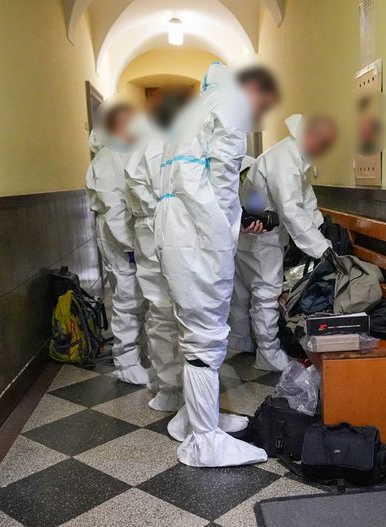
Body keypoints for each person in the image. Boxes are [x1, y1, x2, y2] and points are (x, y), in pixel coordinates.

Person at [155, 63, 280, 467]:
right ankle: (206, 440)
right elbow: (224, 177)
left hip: (175, 229)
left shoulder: (194, 109)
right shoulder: (230, 102)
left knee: (192, 329)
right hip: (198, 236)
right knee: (206, 335)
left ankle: (193, 417)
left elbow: (191, 174)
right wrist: (225, 233)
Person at [230, 115, 337, 371]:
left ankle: (243, 340)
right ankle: (268, 354)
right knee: (266, 293)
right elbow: (291, 211)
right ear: (309, 135)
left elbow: (306, 202)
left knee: (244, 291)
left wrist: (320, 230)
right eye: (322, 143)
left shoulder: (291, 156)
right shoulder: (286, 159)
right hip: (261, 237)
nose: (323, 149)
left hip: (254, 233)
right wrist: (323, 250)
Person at [125, 93, 191, 411]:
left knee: (171, 312)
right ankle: (169, 387)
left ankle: (173, 384)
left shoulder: (173, 143)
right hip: (156, 232)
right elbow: (138, 188)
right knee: (164, 311)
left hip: (166, 231)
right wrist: (164, 211)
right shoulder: (151, 144)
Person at [87, 103, 151, 385]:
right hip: (120, 242)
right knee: (127, 299)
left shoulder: (125, 152)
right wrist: (132, 246)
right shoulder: (108, 158)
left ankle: (137, 354)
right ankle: (126, 362)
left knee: (138, 299)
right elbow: (114, 210)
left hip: (131, 241)